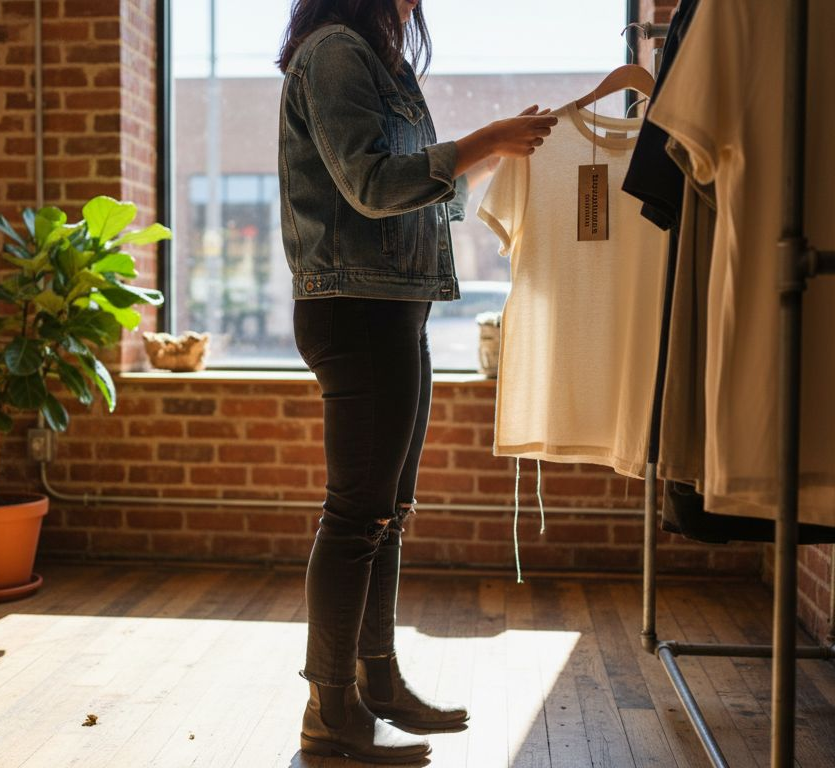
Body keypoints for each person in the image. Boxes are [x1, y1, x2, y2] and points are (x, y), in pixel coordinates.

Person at [276, 0, 557, 762]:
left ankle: (378, 684)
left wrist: (494, 152)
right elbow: (370, 184)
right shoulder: (336, 53)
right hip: (357, 313)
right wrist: (483, 140)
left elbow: (419, 195)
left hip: (393, 310)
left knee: (386, 514)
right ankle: (330, 716)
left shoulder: (378, 61)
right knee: (355, 515)